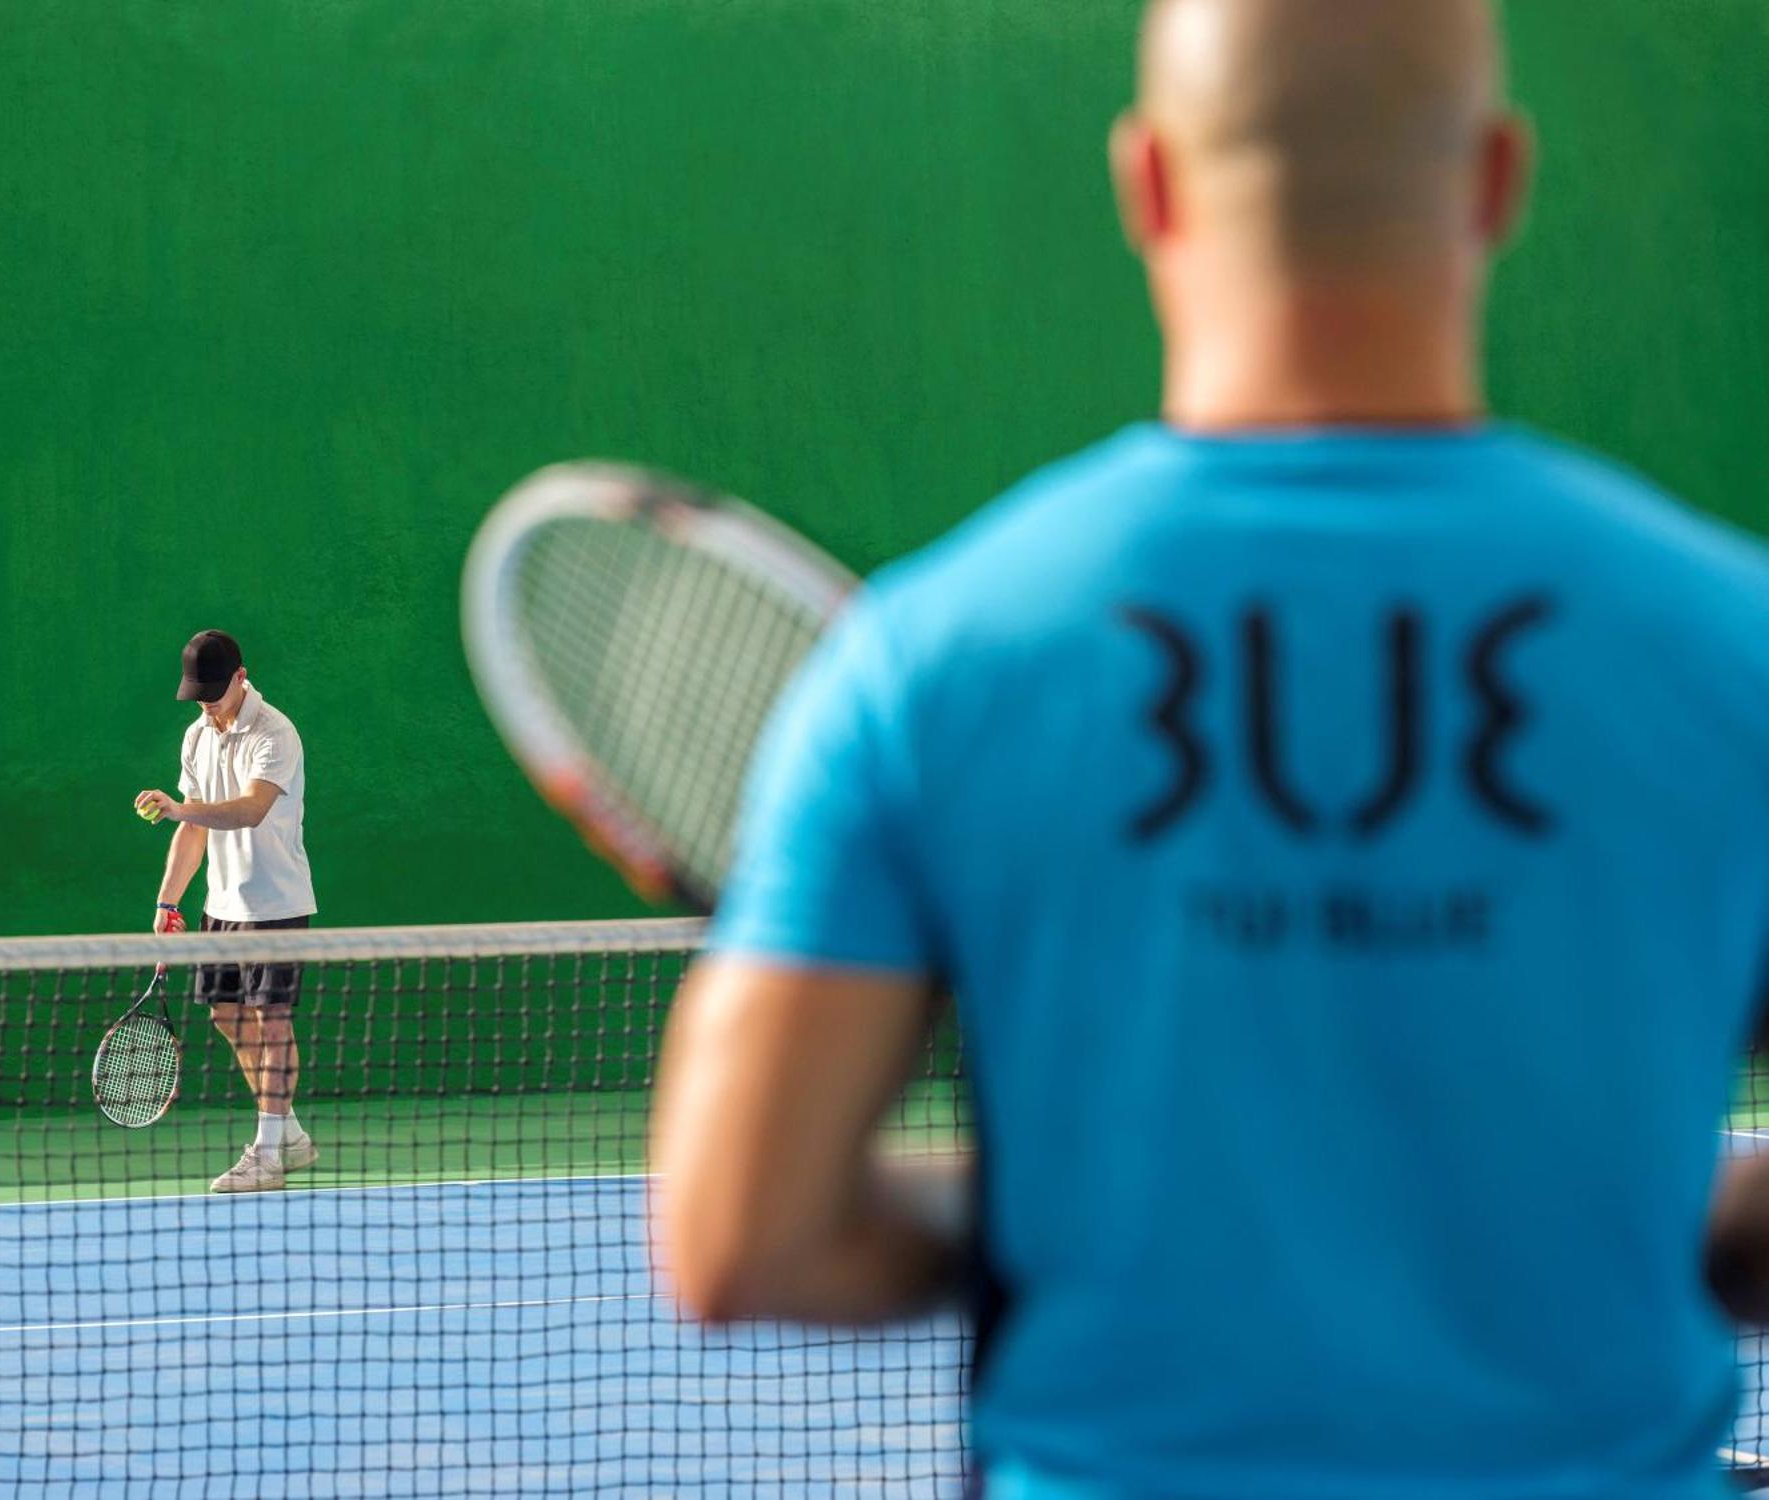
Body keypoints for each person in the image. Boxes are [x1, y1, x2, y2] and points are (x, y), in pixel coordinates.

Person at [650, 1, 1769, 1496]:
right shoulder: (1733, 647)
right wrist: (1601, 1227)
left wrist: (1067, 1222)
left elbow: (742, 1233)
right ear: (1499, 179)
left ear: (1147, 183)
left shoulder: (931, 661)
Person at [136, 629, 320, 1194]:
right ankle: (286, 1132)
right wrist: (169, 900)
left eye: (214, 693)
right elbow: (193, 829)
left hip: (277, 903)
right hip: (222, 904)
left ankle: (266, 1154)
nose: (207, 704)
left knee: (273, 1019)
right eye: (199, 695)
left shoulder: (276, 733)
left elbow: (250, 810)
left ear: (241, 677)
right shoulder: (196, 737)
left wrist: (177, 808)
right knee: (227, 1017)